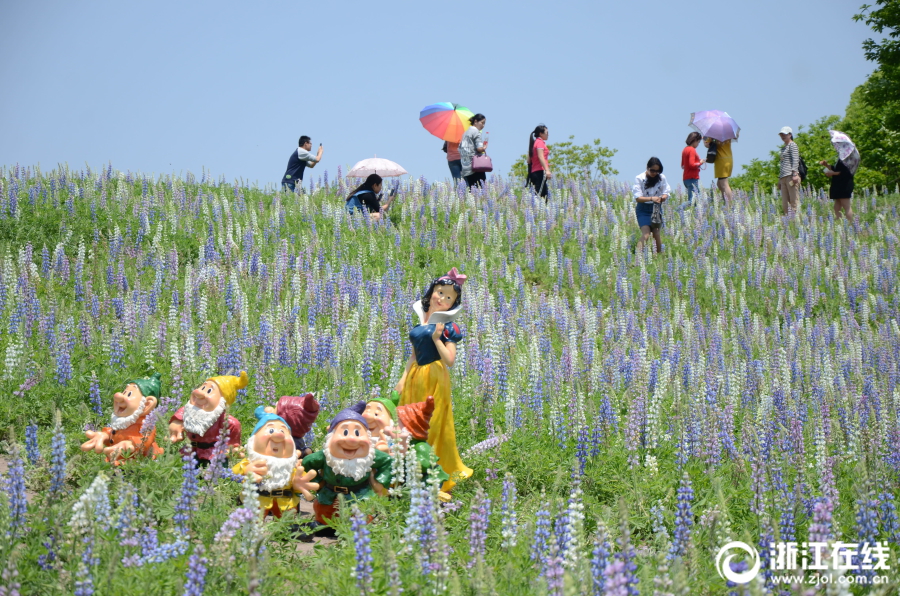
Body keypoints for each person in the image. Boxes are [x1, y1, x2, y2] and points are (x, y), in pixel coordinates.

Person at [395, 267, 473, 493]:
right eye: (441, 293)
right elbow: (413, 354)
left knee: (433, 423)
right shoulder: (421, 320)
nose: (443, 299)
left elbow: (449, 360)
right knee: (408, 420)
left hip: (435, 376)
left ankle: (435, 475)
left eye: (450, 298)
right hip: (416, 376)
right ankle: (408, 472)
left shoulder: (449, 327)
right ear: (431, 292)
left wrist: (438, 338)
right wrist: (403, 378)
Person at [632, 157, 670, 255]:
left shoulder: (661, 178)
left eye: (657, 171)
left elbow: (666, 192)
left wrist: (662, 198)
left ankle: (659, 257)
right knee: (646, 234)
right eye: (652, 170)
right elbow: (638, 198)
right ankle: (637, 258)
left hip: (656, 208)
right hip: (643, 209)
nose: (654, 173)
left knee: (656, 234)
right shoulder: (639, 178)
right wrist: (651, 198)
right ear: (647, 168)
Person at [820, 130, 859, 222]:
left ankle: (850, 224)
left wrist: (832, 173)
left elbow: (844, 172)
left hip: (844, 184)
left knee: (846, 206)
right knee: (837, 205)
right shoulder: (841, 157)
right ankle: (838, 221)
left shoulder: (847, 158)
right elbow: (836, 169)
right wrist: (827, 165)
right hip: (838, 184)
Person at [459, 114, 488, 189]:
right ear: (475, 121)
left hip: (465, 166)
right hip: (476, 166)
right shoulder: (476, 132)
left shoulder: (465, 133)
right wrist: (484, 147)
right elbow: (479, 148)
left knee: (471, 190)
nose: (483, 125)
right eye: (482, 122)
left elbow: (460, 148)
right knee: (481, 189)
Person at [777, 126, 801, 215]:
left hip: (791, 176)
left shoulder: (793, 145)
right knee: (785, 203)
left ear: (790, 135)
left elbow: (795, 159)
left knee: (794, 201)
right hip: (783, 176)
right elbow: (783, 164)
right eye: (781, 134)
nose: (783, 136)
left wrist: (795, 174)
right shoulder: (784, 148)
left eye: (785, 134)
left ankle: (796, 221)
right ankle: (788, 221)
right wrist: (780, 179)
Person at [704, 136, 733, 202]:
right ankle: (726, 201)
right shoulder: (727, 134)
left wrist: (705, 139)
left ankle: (729, 205)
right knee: (719, 184)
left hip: (721, 160)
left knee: (724, 184)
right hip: (728, 159)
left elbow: (707, 144)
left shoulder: (714, 135)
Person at [528, 124, 552, 200]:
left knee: (539, 195)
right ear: (541, 134)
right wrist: (547, 170)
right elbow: (540, 156)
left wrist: (546, 164)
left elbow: (529, 160)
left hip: (534, 172)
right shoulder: (540, 142)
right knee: (541, 197)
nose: (548, 134)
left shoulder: (534, 143)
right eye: (547, 133)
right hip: (539, 173)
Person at [681, 132, 705, 205]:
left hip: (686, 178)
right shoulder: (692, 150)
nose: (698, 144)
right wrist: (700, 162)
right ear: (694, 140)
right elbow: (691, 164)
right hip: (693, 178)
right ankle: (679, 209)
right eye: (698, 142)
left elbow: (683, 165)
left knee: (692, 200)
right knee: (694, 201)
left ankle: (689, 213)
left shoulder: (685, 149)